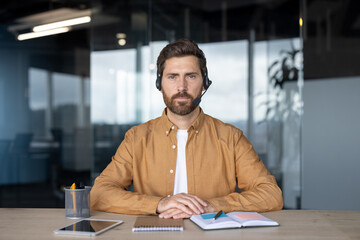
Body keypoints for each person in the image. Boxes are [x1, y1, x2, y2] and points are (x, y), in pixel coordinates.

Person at [90, 39, 283, 219]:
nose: (181, 86)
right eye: (172, 77)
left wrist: (212, 206)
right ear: (160, 84)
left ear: (204, 83)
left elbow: (271, 194)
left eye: (191, 76)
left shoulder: (231, 137)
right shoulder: (136, 138)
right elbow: (99, 194)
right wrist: (160, 203)